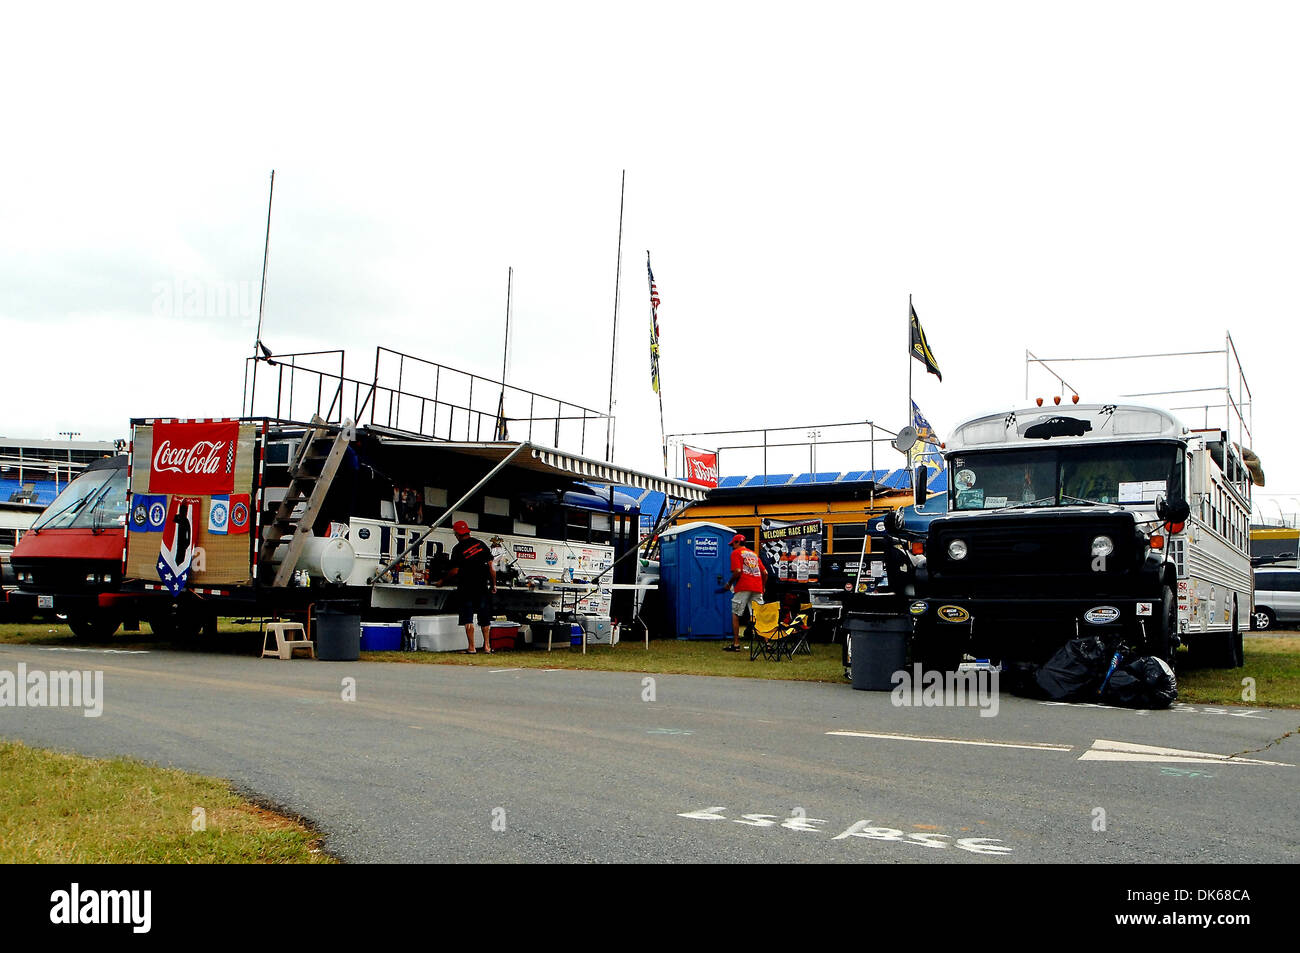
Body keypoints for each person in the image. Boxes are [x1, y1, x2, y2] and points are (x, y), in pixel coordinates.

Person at [437, 520, 497, 654]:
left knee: (468, 616)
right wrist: (493, 584)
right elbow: (491, 568)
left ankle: (472, 647)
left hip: (466, 587)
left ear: (457, 534)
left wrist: (442, 580)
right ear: (468, 531)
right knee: (484, 616)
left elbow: (455, 571)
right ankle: (487, 646)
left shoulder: (457, 549)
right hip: (482, 586)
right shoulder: (480, 544)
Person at [725, 533, 767, 652]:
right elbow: (765, 573)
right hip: (757, 587)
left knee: (736, 614)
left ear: (737, 542)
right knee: (759, 615)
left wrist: (729, 583)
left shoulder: (736, 553)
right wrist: (763, 587)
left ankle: (736, 644)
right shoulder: (754, 554)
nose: (732, 546)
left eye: (733, 544)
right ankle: (767, 643)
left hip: (743, 586)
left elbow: (738, 571)